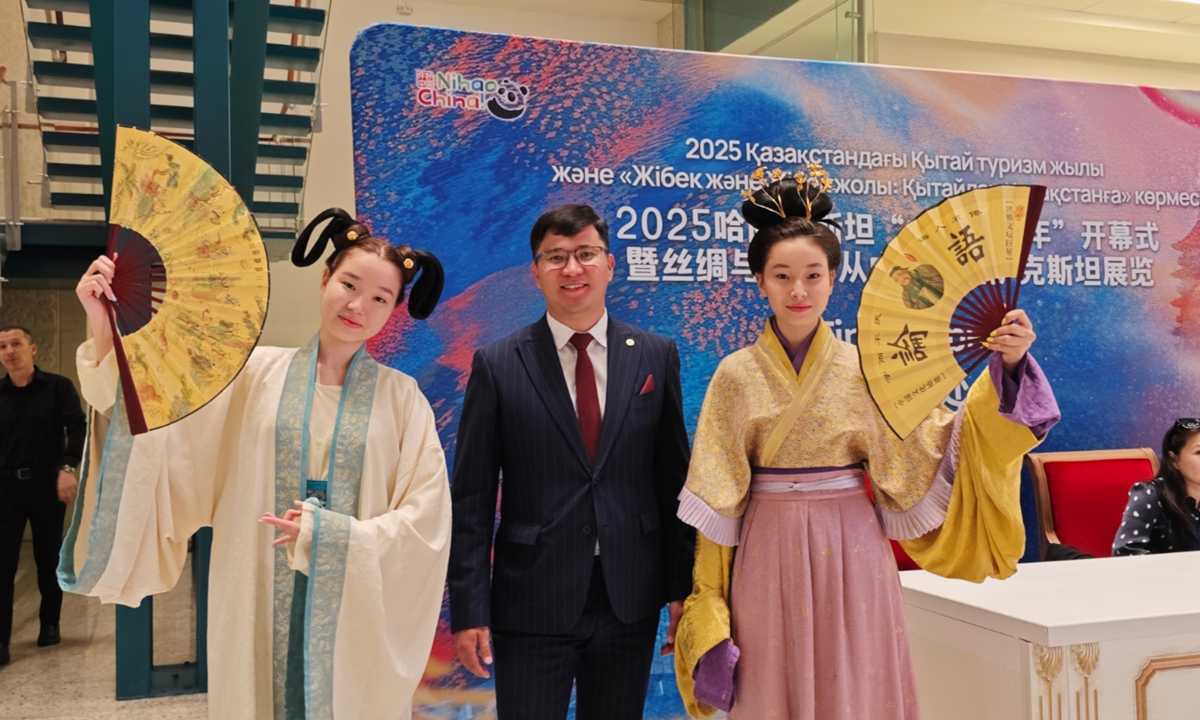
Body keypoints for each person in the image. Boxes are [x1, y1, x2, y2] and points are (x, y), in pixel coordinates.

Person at [672, 173, 1061, 720]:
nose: (798, 291)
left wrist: (1011, 364)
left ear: (834, 278)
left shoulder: (867, 368)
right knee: (769, 679)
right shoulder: (734, 375)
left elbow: (944, 440)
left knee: (857, 680)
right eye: (782, 276)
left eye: (813, 275)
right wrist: (708, 596)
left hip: (853, 543)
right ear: (759, 280)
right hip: (766, 547)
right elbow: (719, 500)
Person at [59, 209, 452, 720]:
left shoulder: (403, 400)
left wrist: (331, 537)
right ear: (324, 279)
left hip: (356, 609)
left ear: (394, 310)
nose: (359, 305)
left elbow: (426, 518)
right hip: (252, 588)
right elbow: (159, 426)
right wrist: (102, 323)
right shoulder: (252, 374)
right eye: (349, 283)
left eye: (380, 298)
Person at [448, 204, 694, 720]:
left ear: (610, 263)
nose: (572, 269)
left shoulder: (655, 355)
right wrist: (469, 610)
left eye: (585, 254)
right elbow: (470, 501)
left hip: (630, 595)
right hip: (533, 595)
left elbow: (674, 483)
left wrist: (682, 591)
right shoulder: (497, 365)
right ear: (535, 273)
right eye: (555, 257)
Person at [0, 326, 86, 665]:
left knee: (47, 560)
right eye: (3, 346)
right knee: (3, 566)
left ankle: (50, 622)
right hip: (5, 489)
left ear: (33, 349)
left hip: (47, 486)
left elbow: (77, 426)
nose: (9, 350)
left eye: (16, 343)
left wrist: (67, 468)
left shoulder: (58, 388)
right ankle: (1, 642)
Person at [1113, 418, 1200, 556]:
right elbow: (1125, 553)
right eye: (1198, 453)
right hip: (1163, 576)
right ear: (1173, 460)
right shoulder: (1150, 494)